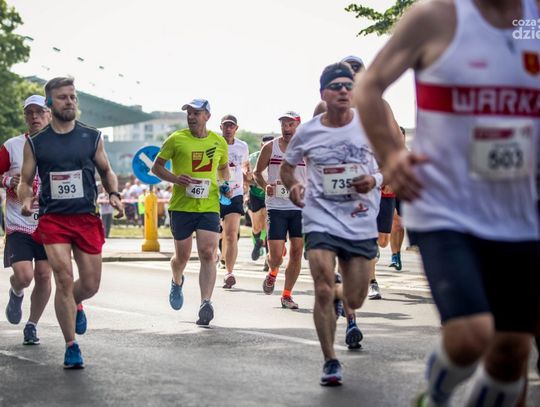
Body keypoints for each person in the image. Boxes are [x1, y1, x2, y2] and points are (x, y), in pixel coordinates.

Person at [355, 0, 540, 405]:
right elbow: (368, 86)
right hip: (443, 206)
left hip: (518, 213)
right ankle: (435, 396)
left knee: (512, 352)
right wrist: (391, 154)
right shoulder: (435, 16)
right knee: (470, 336)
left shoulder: (534, 21)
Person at [280, 62, 389, 385]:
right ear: (323, 94)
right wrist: (293, 186)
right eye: (336, 86)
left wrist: (374, 179)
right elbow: (287, 168)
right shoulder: (308, 131)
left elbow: (391, 164)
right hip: (321, 218)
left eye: (348, 86)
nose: (343, 90)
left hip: (360, 221)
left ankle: (343, 297)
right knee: (323, 288)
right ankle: (330, 360)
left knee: (355, 298)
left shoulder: (370, 125)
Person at [18, 77, 124, 368]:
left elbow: (106, 170)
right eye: (63, 97)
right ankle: (71, 345)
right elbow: (25, 181)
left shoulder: (91, 136)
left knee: (90, 284)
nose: (69, 102)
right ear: (49, 103)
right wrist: (26, 200)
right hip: (53, 219)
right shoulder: (36, 143)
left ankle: (74, 301)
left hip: (86, 218)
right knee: (63, 279)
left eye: (72, 97)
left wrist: (114, 194)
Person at [152, 98, 230, 326]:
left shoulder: (219, 142)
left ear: (207, 116)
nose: (191, 117)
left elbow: (223, 168)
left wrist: (225, 184)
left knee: (208, 252)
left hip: (209, 206)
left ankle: (206, 302)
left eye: (196, 113)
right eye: (189, 113)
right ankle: (177, 280)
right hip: (181, 207)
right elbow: (156, 167)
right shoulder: (176, 139)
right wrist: (176, 179)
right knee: (182, 257)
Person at [1, 95, 52, 345]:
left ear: (49, 114)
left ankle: (32, 325)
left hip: (49, 223)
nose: (34, 117)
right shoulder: (12, 146)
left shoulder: (60, 146)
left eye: (39, 112)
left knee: (44, 275)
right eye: (29, 112)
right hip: (18, 223)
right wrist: (7, 180)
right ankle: (16, 290)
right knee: (24, 276)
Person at [254, 111, 305, 310]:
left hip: (299, 207)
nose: (286, 128)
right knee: (276, 257)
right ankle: (273, 271)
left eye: (290, 124)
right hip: (276, 207)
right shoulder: (270, 147)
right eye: (283, 125)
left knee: (297, 251)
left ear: (298, 126)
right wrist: (265, 185)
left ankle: (287, 295)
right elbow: (257, 173)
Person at [219, 114, 249, 289]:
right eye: (226, 125)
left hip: (235, 193)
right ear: (221, 127)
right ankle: (214, 258)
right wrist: (221, 186)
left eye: (232, 126)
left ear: (236, 128)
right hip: (215, 193)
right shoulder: (214, 143)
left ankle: (229, 273)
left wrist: (247, 176)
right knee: (214, 234)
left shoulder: (242, 146)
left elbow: (245, 165)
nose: (228, 129)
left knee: (231, 234)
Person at [247, 135, 274, 265]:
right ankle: (257, 242)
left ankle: (268, 261)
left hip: (272, 196)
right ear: (261, 146)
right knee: (257, 227)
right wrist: (253, 180)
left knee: (270, 227)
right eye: (265, 146)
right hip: (256, 195)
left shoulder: (278, 158)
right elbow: (247, 177)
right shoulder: (253, 158)